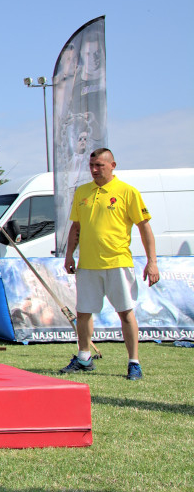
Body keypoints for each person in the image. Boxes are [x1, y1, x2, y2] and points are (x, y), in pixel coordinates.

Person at [61, 149, 159, 380]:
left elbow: (144, 228)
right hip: (88, 265)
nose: (94, 170)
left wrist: (152, 262)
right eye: (91, 165)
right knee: (83, 312)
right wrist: (69, 255)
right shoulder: (83, 192)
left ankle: (134, 362)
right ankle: (84, 358)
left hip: (118, 262)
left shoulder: (127, 192)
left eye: (99, 165)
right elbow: (76, 227)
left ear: (112, 165)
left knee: (125, 313)